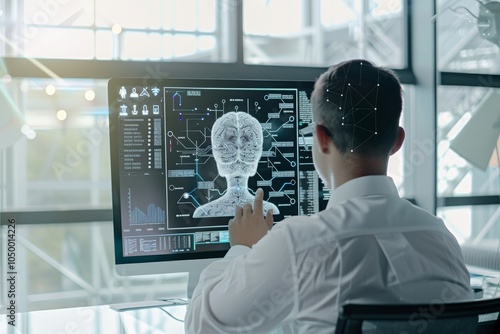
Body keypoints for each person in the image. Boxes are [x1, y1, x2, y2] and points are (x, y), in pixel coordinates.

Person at [184, 59, 473, 334]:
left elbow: (202, 327)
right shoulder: (442, 237)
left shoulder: (299, 243)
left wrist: (242, 249)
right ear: (398, 141)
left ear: (321, 138)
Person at [193, 111, 279, 218]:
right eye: (231, 139)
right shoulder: (269, 211)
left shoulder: (204, 213)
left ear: (217, 154)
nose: (238, 145)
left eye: (245, 139)